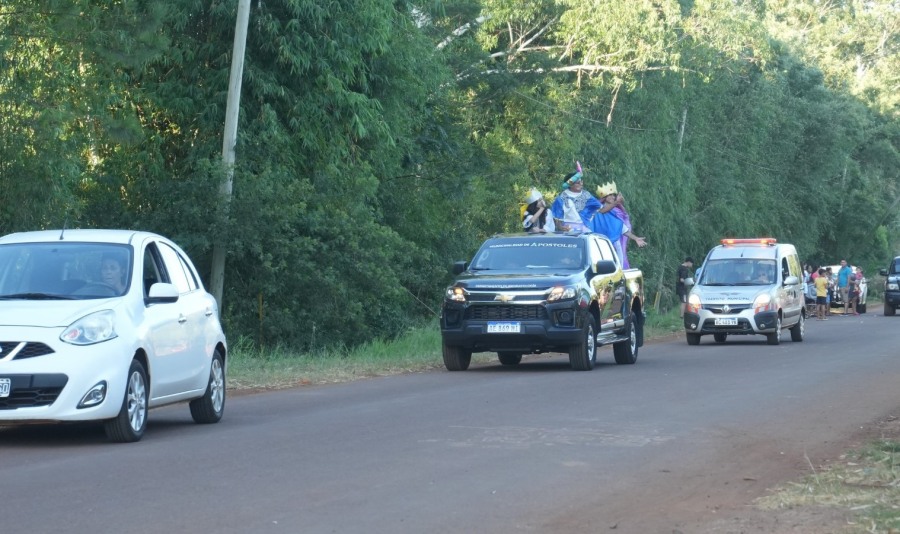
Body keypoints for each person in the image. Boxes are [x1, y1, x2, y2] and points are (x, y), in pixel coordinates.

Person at [594, 182, 647, 269]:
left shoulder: (616, 211)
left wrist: (636, 238)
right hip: (599, 242)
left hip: (615, 242)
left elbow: (622, 228)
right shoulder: (596, 209)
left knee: (619, 266)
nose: (613, 197)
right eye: (610, 195)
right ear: (604, 197)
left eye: (613, 195)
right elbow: (601, 212)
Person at [550, 166, 602, 233]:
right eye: (578, 183)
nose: (581, 184)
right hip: (567, 231)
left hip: (584, 229)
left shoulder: (586, 195)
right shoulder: (561, 198)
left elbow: (600, 208)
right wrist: (560, 227)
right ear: (571, 185)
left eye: (581, 182)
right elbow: (557, 218)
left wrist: (613, 203)